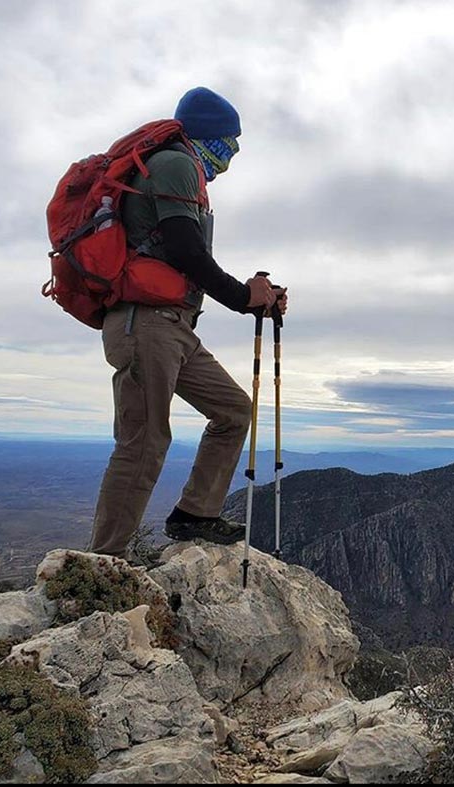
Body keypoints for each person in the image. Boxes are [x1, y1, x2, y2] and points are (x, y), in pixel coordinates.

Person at [88, 86, 287, 561]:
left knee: (234, 410)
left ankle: (195, 514)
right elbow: (183, 247)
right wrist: (243, 298)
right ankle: (102, 563)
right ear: (208, 137)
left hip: (172, 326)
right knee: (144, 441)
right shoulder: (176, 163)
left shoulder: (185, 173)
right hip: (146, 324)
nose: (229, 158)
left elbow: (182, 254)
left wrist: (254, 298)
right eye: (227, 145)